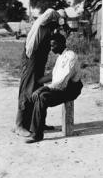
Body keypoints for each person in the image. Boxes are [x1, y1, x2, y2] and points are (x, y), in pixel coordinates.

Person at [25, 33, 83, 143]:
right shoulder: (60, 57)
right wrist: (37, 82)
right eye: (50, 45)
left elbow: (61, 82)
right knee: (39, 95)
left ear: (62, 44)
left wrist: (43, 88)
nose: (51, 48)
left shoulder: (70, 57)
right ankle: (39, 125)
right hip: (63, 87)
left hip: (71, 89)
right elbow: (53, 75)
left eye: (53, 45)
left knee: (42, 97)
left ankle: (37, 134)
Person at [14, 9, 60, 137]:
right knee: (27, 91)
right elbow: (31, 49)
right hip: (32, 61)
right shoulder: (41, 27)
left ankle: (37, 122)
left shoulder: (43, 28)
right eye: (55, 21)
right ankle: (20, 125)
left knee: (37, 90)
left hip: (38, 61)